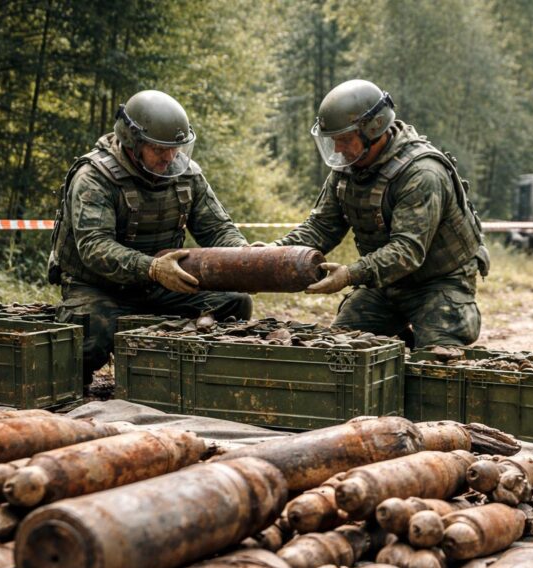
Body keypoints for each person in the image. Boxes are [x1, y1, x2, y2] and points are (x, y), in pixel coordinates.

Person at [47, 90, 252, 384]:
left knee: (235, 302)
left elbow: (217, 228)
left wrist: (246, 257)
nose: (169, 158)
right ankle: (71, 393)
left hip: (160, 285)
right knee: (91, 338)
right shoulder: (95, 177)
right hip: (99, 286)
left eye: (175, 149)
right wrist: (152, 268)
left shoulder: (187, 175)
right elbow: (94, 247)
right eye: (159, 149)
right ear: (133, 142)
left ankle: (204, 383)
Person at [271, 79, 489, 348]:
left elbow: (407, 250)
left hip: (439, 283)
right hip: (385, 286)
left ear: (373, 130)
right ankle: (399, 341)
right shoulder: (347, 169)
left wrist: (349, 274)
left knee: (436, 362)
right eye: (333, 141)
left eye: (344, 139)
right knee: (340, 349)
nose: (338, 149)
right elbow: (321, 226)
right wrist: (273, 254)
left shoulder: (422, 173)